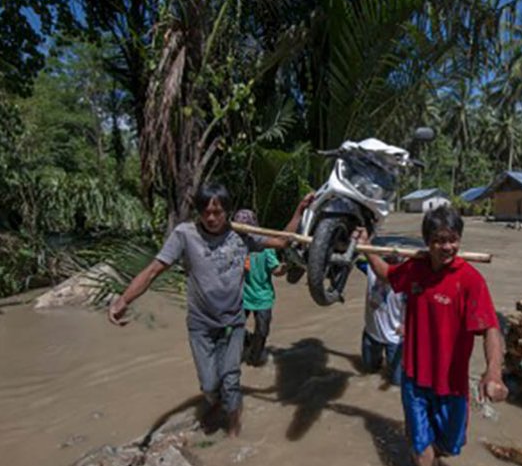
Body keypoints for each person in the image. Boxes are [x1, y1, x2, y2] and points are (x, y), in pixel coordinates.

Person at [108, 183, 313, 437]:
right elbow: (153, 271)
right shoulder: (185, 235)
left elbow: (282, 240)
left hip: (233, 323)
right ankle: (216, 404)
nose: (212, 218)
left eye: (218, 212)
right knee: (208, 384)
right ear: (199, 212)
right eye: (206, 212)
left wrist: (300, 210)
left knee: (231, 378)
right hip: (201, 326)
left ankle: (234, 434)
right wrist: (123, 300)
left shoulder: (242, 235)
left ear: (227, 211)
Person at [355, 205, 507, 466]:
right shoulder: (415, 269)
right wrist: (366, 247)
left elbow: (490, 328)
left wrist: (493, 373)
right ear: (427, 242)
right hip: (415, 378)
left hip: (452, 385)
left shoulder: (471, 280)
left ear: (459, 240)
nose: (446, 247)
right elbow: (387, 274)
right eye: (438, 240)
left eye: (452, 240)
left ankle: (429, 458)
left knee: (450, 446)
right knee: (420, 444)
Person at [234, 209, 285, 367]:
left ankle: (255, 354)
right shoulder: (234, 245)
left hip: (263, 296)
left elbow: (275, 270)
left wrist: (285, 268)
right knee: (232, 327)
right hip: (242, 295)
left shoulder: (265, 246)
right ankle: (247, 340)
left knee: (262, 332)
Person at [356, 254, 405, 385]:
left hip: (395, 340)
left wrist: (409, 325)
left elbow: (420, 307)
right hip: (372, 334)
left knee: (397, 382)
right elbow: (355, 257)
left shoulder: (407, 283)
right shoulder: (372, 270)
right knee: (369, 370)